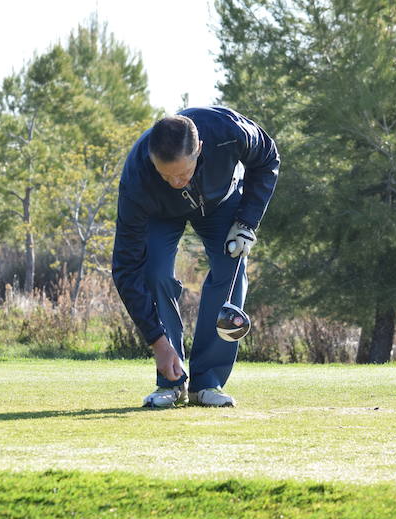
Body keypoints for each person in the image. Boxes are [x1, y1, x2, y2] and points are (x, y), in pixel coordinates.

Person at [112, 106, 279, 408]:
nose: (178, 183)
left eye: (185, 173)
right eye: (168, 176)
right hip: (160, 213)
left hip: (221, 202)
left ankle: (207, 383)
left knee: (231, 271)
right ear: (152, 161)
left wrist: (247, 222)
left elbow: (268, 158)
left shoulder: (228, 131)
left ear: (200, 148)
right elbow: (125, 268)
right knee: (155, 273)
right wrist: (156, 342)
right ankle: (171, 382)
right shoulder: (137, 178)